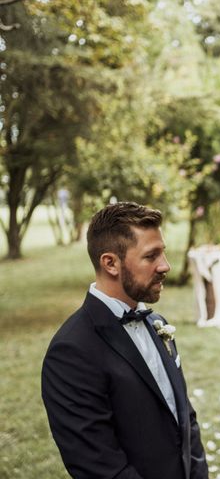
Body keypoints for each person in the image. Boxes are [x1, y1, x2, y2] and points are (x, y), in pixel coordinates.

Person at [41, 202, 208, 479]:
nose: (165, 265)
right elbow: (99, 466)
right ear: (110, 263)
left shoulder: (158, 324)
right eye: (151, 256)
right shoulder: (72, 352)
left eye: (162, 253)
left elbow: (185, 417)